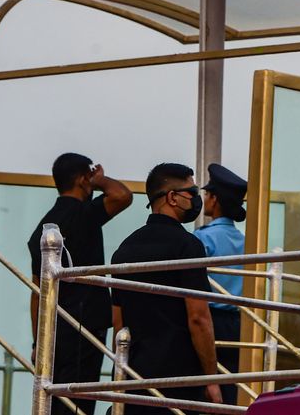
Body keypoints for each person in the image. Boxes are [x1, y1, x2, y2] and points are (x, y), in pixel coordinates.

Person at [111, 163, 222, 412]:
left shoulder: (124, 249)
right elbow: (198, 318)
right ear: (172, 197)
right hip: (179, 378)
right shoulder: (188, 246)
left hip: (135, 378)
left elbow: (118, 324)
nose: (196, 199)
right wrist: (212, 379)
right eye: (191, 192)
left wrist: (120, 377)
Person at [28, 153, 133, 415]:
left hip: (54, 328)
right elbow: (122, 196)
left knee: (55, 398)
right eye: (89, 176)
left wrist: (37, 343)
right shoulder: (84, 214)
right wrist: (100, 181)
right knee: (80, 401)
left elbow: (37, 292)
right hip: (85, 325)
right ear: (81, 179)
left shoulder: (43, 228)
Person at [195, 164, 248, 406]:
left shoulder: (202, 239)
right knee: (232, 392)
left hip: (210, 320)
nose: (204, 199)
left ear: (214, 199)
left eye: (207, 194)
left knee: (205, 391)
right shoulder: (245, 241)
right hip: (239, 323)